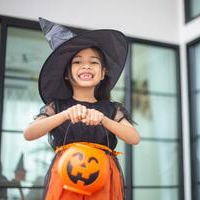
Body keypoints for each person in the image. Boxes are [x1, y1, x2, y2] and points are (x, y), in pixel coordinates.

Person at [23, 18, 140, 200]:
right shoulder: (57, 107)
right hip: (64, 179)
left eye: (93, 62)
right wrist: (64, 115)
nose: (86, 65)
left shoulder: (111, 109)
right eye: (77, 62)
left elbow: (134, 138)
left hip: (104, 180)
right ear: (67, 74)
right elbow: (29, 133)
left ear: (102, 73)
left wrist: (104, 120)